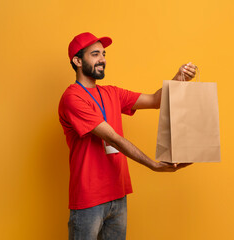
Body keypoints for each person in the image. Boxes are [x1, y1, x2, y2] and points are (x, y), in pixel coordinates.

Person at [58, 32, 197, 240]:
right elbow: (113, 138)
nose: (102, 59)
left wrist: (178, 79)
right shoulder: (72, 98)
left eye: (103, 54)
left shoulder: (112, 93)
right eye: (95, 54)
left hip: (118, 194)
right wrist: (153, 164)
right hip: (89, 200)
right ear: (77, 61)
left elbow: (155, 100)